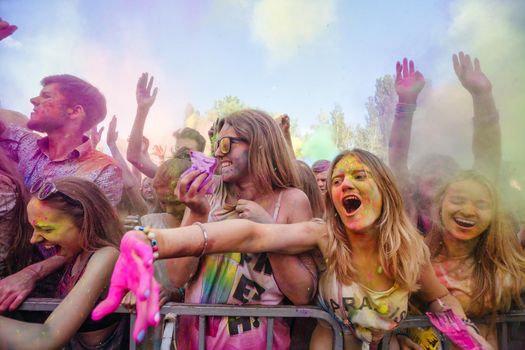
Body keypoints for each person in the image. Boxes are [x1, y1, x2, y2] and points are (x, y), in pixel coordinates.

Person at [94, 149, 491, 349]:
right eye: (338, 180)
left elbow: (441, 303)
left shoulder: (408, 252)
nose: (345, 185)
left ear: (384, 189)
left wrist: (474, 342)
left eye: (358, 176)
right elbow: (250, 235)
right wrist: (154, 242)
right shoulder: (323, 235)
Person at [173, 109, 317, 349]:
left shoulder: (292, 201)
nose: (218, 153)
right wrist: (198, 213)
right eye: (217, 144)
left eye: (227, 144)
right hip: (193, 341)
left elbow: (303, 293)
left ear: (260, 144)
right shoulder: (209, 191)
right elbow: (177, 277)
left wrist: (268, 231)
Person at [0, 74, 123, 311]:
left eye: (46, 96)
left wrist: (32, 274)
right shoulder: (25, 145)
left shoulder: (104, 170)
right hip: (10, 281)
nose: (34, 100)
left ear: (75, 111)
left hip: (64, 296)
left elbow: (91, 239)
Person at [404, 170, 525, 349]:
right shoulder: (418, 261)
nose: (468, 211)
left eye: (481, 204)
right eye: (457, 200)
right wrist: (398, 337)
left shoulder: (506, 269)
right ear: (440, 204)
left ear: (494, 213)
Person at [0, 177, 125, 349]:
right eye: (34, 228)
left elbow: (48, 337)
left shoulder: (107, 256)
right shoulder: (76, 253)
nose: (33, 239)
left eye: (46, 229)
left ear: (85, 223)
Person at [389, 54, 501, 234]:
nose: (439, 174)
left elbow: (487, 157)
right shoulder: (409, 211)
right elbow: (398, 160)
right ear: (415, 182)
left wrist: (482, 95)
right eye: (431, 169)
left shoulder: (470, 213)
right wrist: (405, 102)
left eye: (447, 170)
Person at [127, 73, 206, 178]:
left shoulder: (213, 185)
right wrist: (142, 109)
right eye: (178, 151)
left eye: (187, 154)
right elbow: (134, 157)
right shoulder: (169, 178)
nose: (180, 158)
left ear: (200, 158)